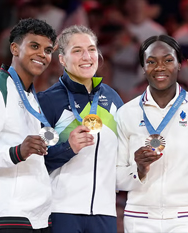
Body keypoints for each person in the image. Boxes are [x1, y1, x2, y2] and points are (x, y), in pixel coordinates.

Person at [116, 34, 188, 233]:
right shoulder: (126, 113)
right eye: (151, 62)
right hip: (139, 218)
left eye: (168, 60)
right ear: (143, 68)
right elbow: (115, 176)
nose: (160, 67)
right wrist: (138, 169)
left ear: (179, 65)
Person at [0, 18, 57, 232]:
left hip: (38, 215)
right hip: (6, 214)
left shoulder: (31, 97)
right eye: (34, 46)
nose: (42, 54)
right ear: (14, 48)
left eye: (48, 49)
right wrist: (15, 152)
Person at [37, 25, 123, 233]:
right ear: (62, 59)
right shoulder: (48, 101)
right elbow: (37, 161)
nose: (87, 56)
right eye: (77, 51)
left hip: (105, 212)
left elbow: (122, 156)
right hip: (61, 211)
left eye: (92, 49)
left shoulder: (113, 100)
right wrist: (69, 147)